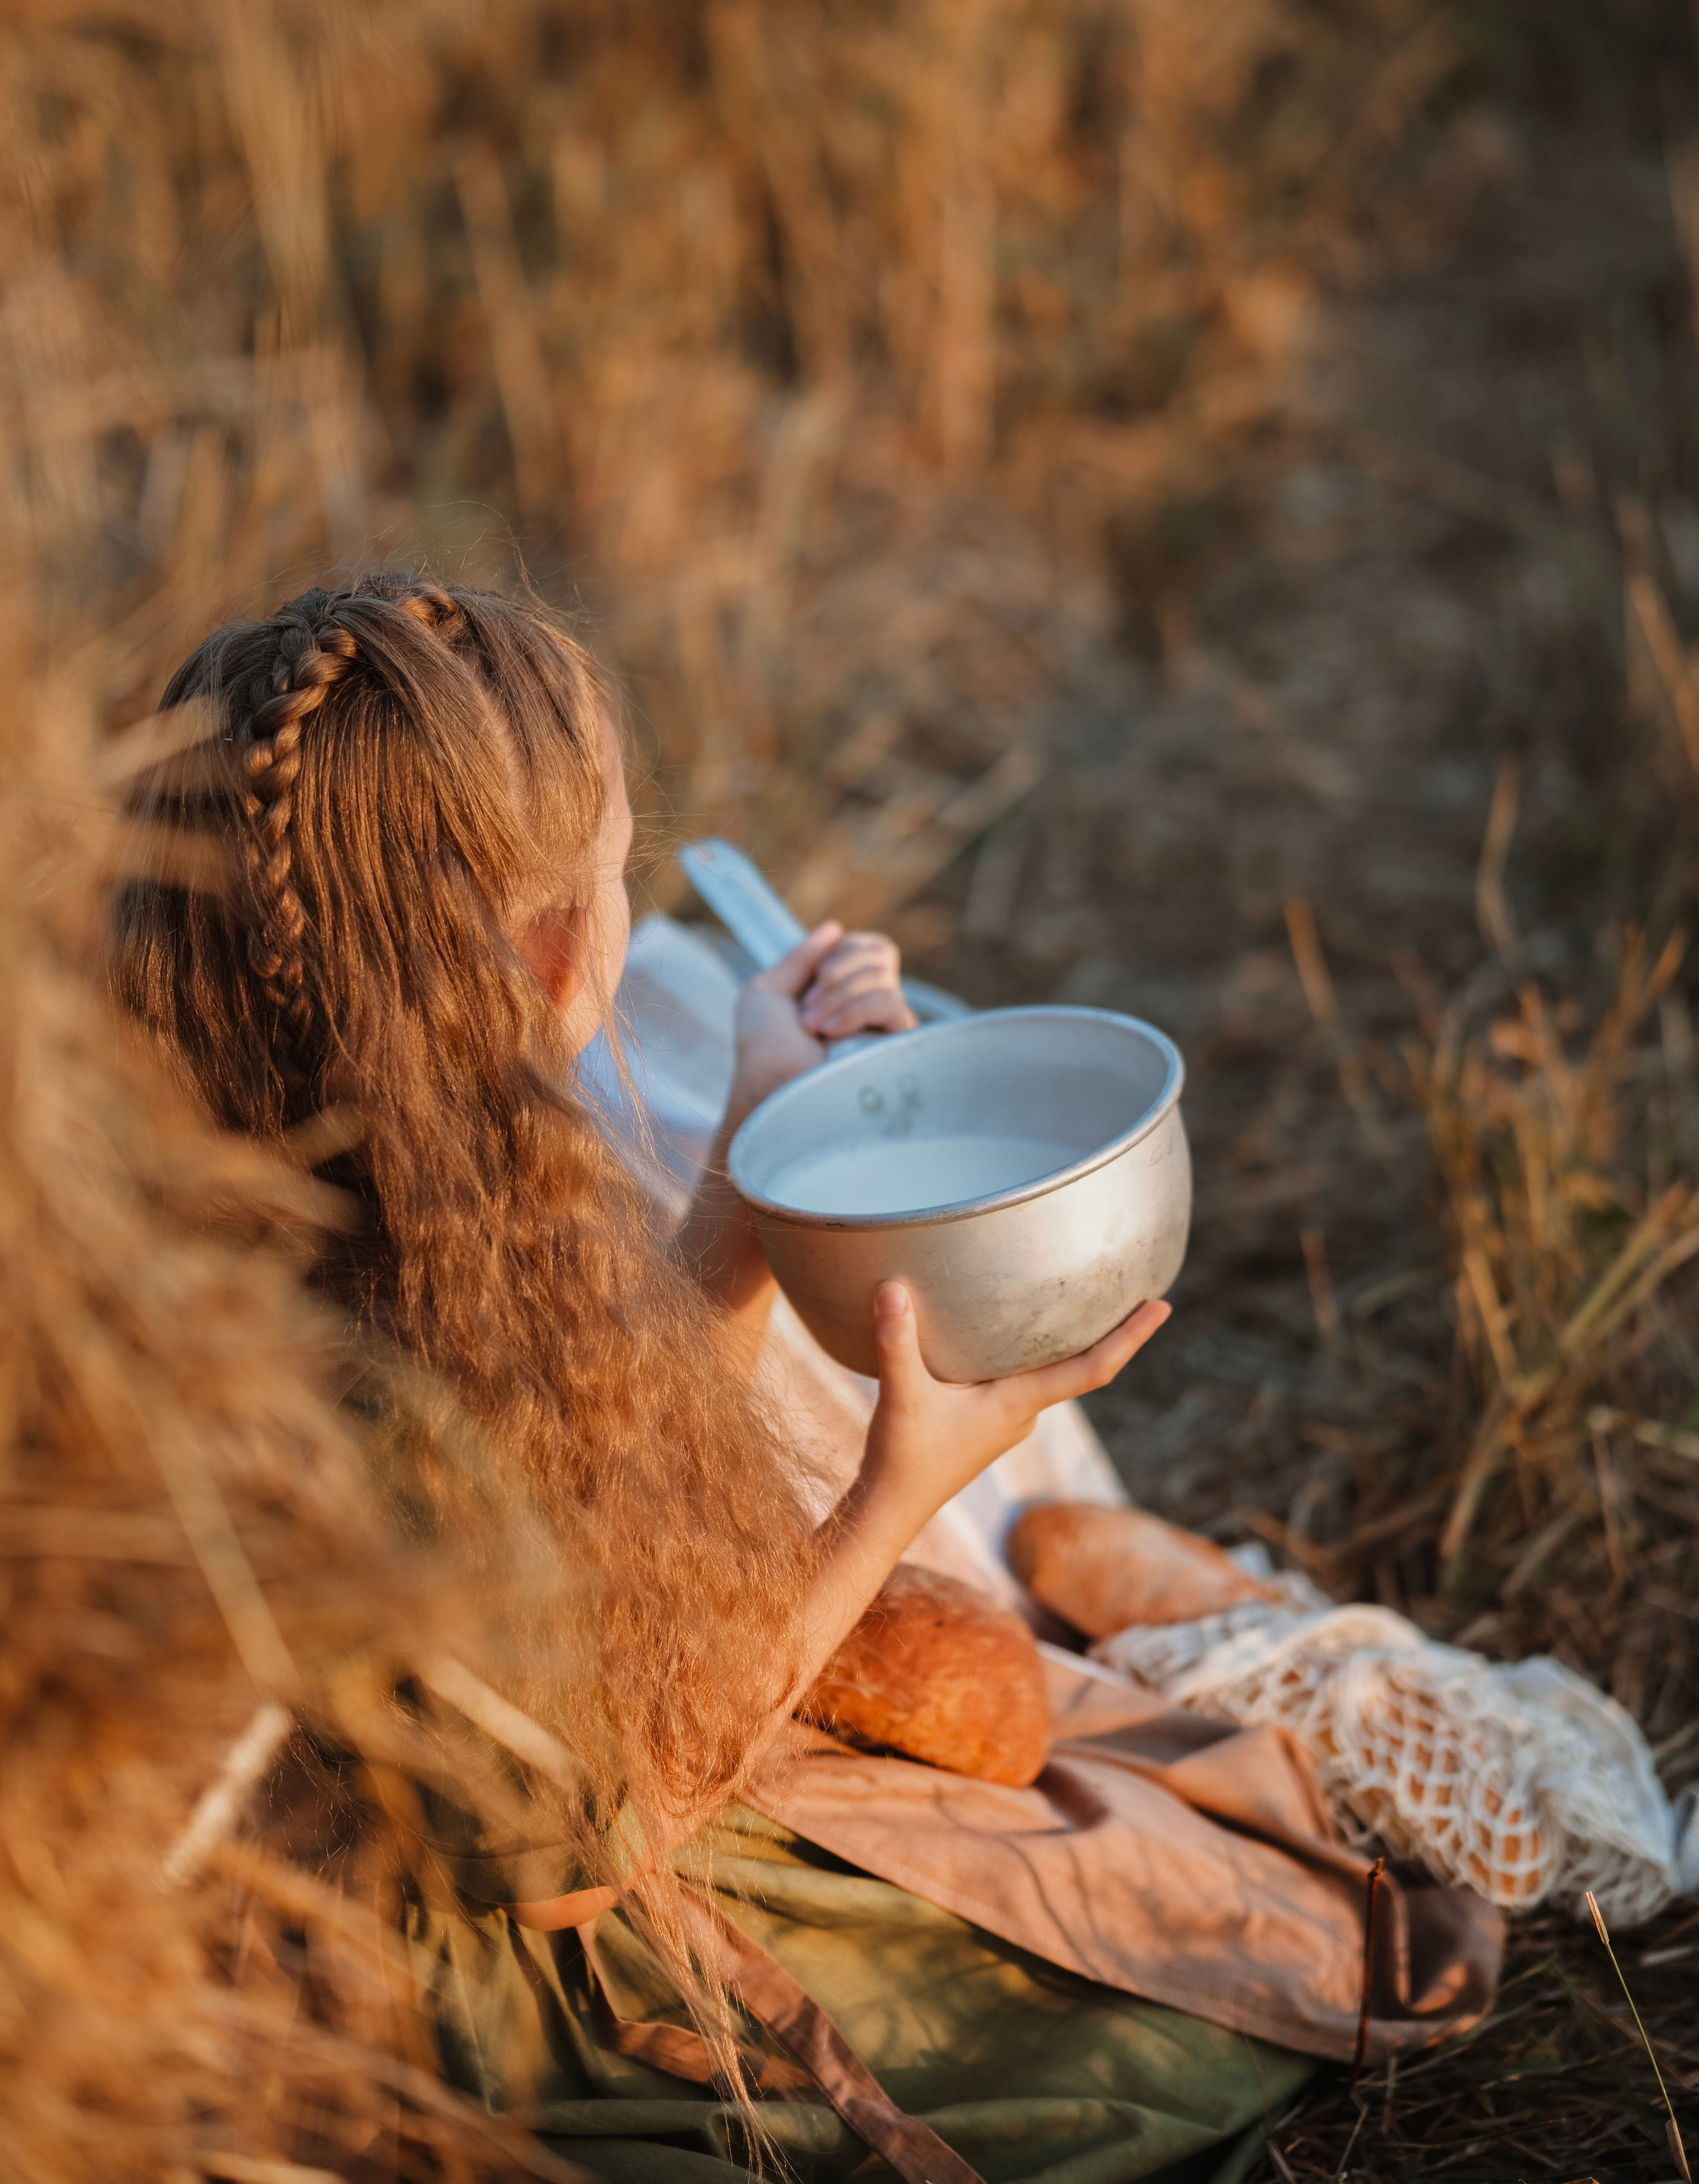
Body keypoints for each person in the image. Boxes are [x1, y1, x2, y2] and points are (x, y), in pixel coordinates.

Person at [111, 572, 1318, 2184]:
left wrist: (758, 1139)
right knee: (1174, 2008)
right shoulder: (389, 1374)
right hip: (467, 1980)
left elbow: (599, 1480)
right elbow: (578, 1855)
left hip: (441, 1834)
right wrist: (897, 1490)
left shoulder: (269, 1162)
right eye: (620, 874)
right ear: (556, 954)